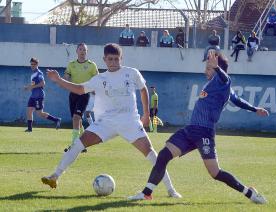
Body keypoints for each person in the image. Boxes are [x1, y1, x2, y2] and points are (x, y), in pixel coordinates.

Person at [41, 43, 181, 198]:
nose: (114, 62)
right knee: (77, 144)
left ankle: (171, 190)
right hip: (106, 123)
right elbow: (80, 89)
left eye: (116, 59)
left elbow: (143, 89)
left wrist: (146, 114)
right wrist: (58, 80)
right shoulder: (100, 78)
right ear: (104, 60)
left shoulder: (131, 73)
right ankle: (55, 176)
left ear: (121, 58)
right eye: (110, 59)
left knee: (151, 154)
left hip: (130, 122)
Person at [128, 51, 267, 204]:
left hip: (204, 133)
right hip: (191, 130)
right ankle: (146, 193)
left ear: (216, 68)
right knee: (163, 155)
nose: (204, 71)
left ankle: (249, 193)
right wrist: (255, 109)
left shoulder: (223, 82)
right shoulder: (213, 84)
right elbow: (238, 100)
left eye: (208, 68)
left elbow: (226, 79)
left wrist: (218, 69)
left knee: (215, 173)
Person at [63, 43, 99, 152]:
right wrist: (65, 79)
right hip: (73, 94)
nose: (82, 51)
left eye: (84, 50)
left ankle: (74, 145)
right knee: (76, 120)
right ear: (77, 51)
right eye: (80, 49)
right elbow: (66, 78)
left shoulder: (92, 65)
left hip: (84, 94)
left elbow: (98, 79)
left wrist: (95, 90)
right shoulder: (71, 64)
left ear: (86, 52)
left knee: (76, 118)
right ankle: (81, 144)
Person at [24, 58, 61, 132]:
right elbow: (33, 85)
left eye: (34, 64)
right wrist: (28, 87)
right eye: (31, 64)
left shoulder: (39, 73)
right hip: (33, 96)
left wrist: (32, 87)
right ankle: (29, 129)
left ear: (37, 65)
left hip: (39, 96)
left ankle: (56, 120)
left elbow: (43, 83)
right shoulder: (33, 74)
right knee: (29, 111)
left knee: (40, 113)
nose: (32, 66)